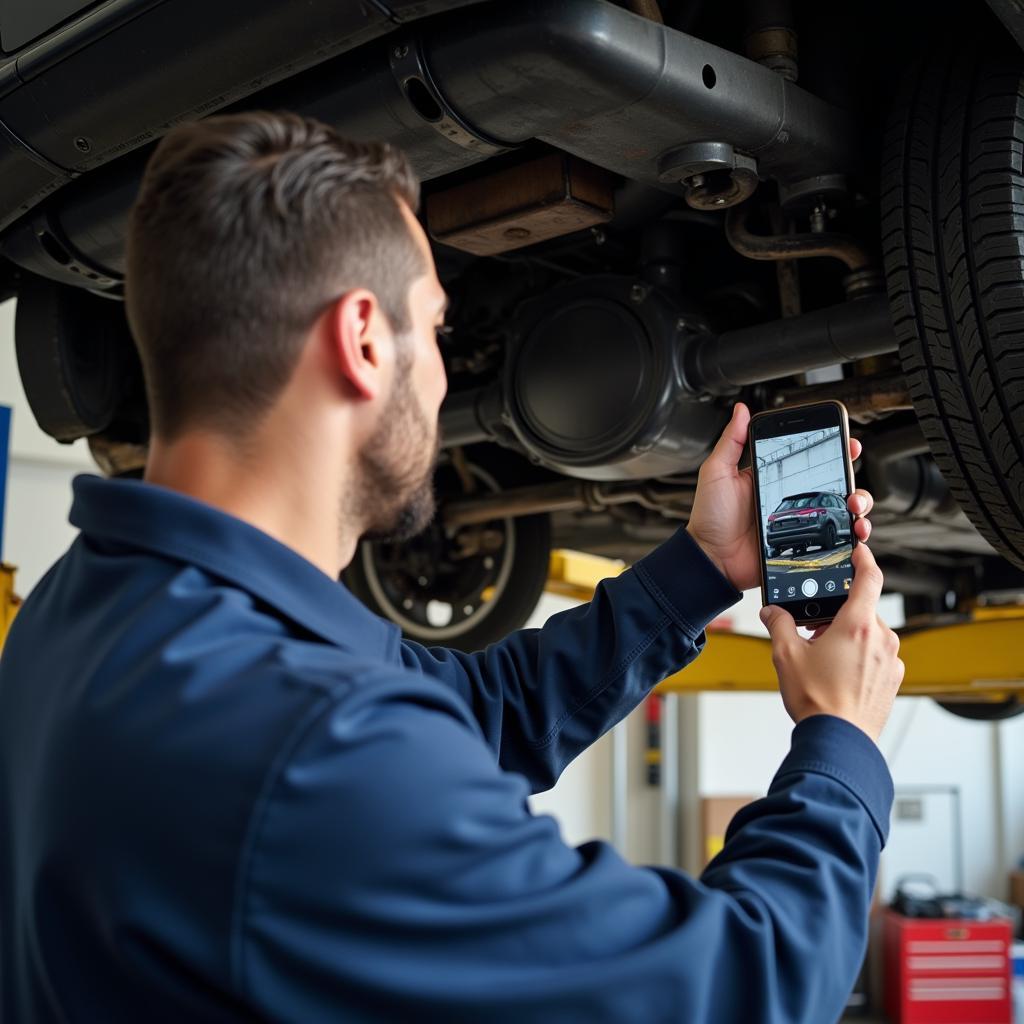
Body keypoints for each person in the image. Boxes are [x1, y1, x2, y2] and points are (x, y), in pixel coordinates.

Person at [0, 111, 904, 1024]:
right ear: (361, 340)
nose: (439, 378)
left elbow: (480, 713)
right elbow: (740, 987)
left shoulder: (80, 609)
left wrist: (703, 567)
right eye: (434, 328)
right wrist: (841, 743)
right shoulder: (306, 748)